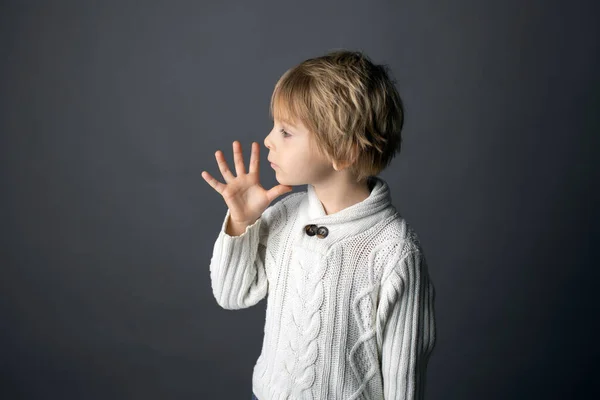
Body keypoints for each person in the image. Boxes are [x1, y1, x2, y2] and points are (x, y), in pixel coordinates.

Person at [202, 49, 436, 400]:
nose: (268, 140)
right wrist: (242, 221)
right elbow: (231, 294)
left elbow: (404, 377)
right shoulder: (285, 215)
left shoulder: (395, 250)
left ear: (342, 151)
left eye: (285, 131)